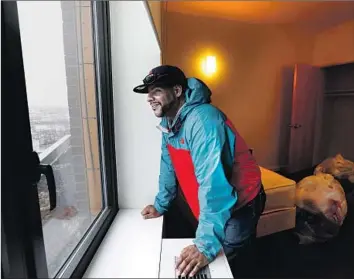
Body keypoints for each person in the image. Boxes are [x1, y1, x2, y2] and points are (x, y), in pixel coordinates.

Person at [133, 65, 266, 277]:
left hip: (240, 201)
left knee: (231, 262)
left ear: (177, 91)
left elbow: (214, 185)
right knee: (228, 254)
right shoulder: (169, 123)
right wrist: (161, 204)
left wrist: (204, 246)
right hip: (220, 202)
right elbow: (168, 166)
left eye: (156, 90)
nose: (150, 98)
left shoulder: (203, 120)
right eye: (148, 93)